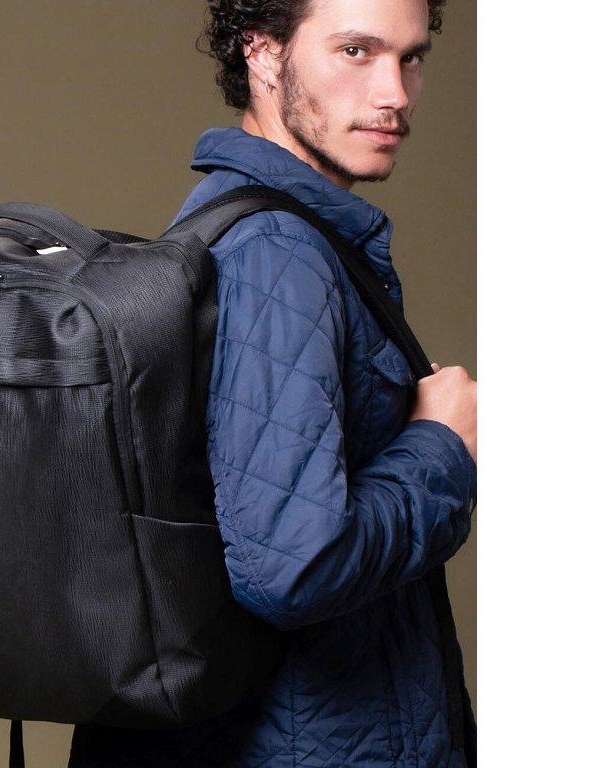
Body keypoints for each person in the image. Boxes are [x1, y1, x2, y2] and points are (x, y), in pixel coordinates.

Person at [69, 0, 477, 765]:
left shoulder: (231, 224)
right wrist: (441, 448)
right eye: (356, 52)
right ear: (261, 52)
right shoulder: (277, 252)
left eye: (411, 57)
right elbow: (294, 568)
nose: (393, 92)